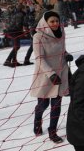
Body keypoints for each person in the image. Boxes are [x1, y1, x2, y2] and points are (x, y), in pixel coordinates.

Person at [30, 11, 72, 143]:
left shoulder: (61, 32)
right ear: (45, 22)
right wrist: (51, 74)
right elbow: (39, 59)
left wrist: (66, 55)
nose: (55, 24)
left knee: (56, 105)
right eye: (52, 21)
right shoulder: (38, 36)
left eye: (57, 21)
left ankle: (52, 131)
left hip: (60, 73)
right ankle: (38, 120)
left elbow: (62, 50)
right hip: (45, 75)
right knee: (43, 104)